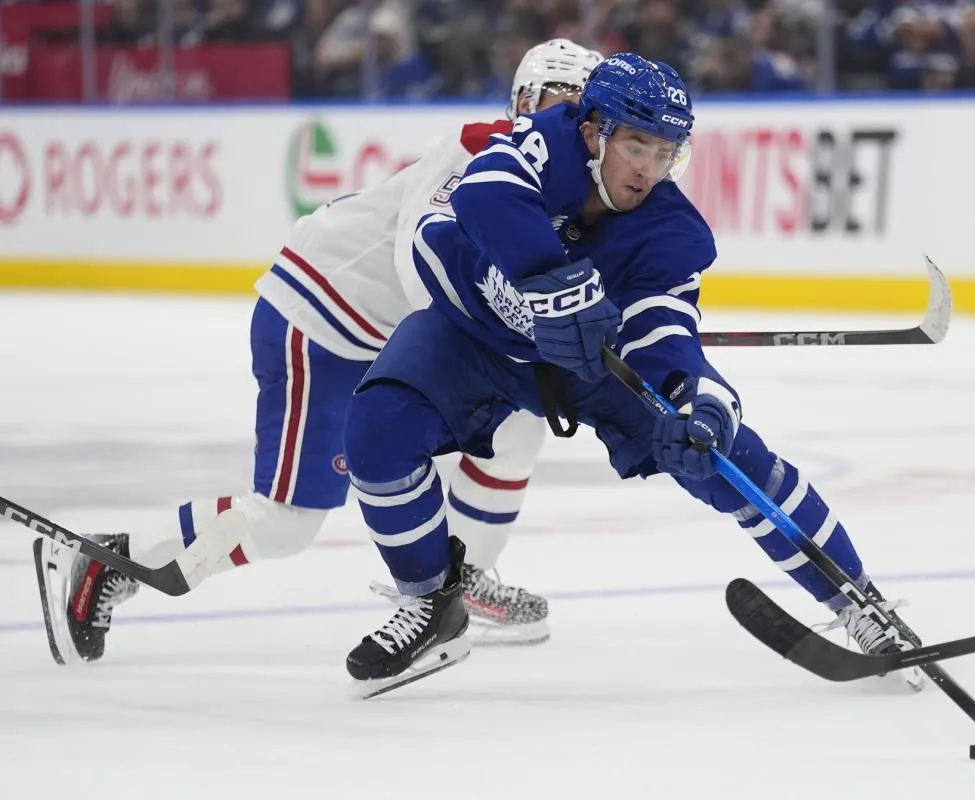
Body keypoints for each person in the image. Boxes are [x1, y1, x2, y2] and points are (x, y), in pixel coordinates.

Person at [339, 52, 927, 696]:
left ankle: (860, 602)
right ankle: (432, 603)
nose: (649, 168)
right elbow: (457, 219)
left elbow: (665, 333)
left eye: (665, 151)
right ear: (594, 132)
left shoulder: (670, 232)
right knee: (378, 426)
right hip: (473, 340)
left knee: (725, 456)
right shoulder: (541, 143)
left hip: (589, 367)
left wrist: (699, 402)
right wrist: (541, 284)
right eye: (636, 146)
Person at [32, 38, 604, 665]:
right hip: (322, 323)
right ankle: (110, 560)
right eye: (559, 100)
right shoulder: (481, 151)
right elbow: (420, 257)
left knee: (519, 424)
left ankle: (457, 578)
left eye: (586, 108)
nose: (572, 119)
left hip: (381, 337)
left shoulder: (571, 188)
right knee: (285, 524)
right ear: (523, 102)